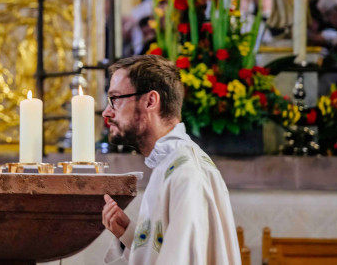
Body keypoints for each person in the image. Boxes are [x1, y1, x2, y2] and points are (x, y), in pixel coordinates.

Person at [101, 55, 241, 264]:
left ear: (150, 101)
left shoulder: (186, 173)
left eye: (116, 99)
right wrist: (129, 233)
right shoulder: (169, 164)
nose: (107, 112)